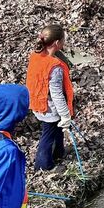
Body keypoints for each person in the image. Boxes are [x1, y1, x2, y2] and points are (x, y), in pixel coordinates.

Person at [25, 23, 74, 172]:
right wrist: (66, 115)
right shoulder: (55, 66)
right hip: (49, 108)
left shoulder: (36, 55)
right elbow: (57, 94)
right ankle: (43, 166)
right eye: (64, 40)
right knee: (48, 135)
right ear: (57, 43)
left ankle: (58, 153)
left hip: (37, 102)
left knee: (57, 131)